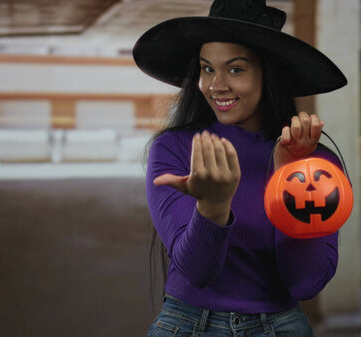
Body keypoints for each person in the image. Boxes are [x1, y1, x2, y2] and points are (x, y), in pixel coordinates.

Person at [133, 0, 348, 335]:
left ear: (268, 72)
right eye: (207, 69)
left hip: (280, 327)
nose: (217, 85)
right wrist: (213, 208)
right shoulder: (175, 149)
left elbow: (306, 283)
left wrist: (287, 178)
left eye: (235, 69)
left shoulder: (314, 165)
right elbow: (196, 271)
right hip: (187, 325)